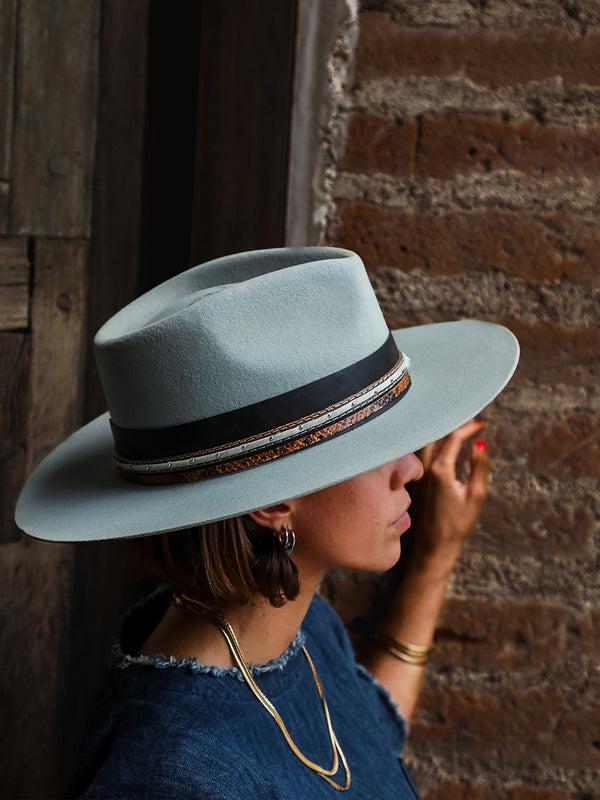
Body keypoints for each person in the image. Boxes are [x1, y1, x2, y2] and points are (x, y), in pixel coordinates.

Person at [14, 246, 519, 798]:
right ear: (274, 502)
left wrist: (435, 560)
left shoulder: (291, 617)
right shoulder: (176, 778)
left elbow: (368, 740)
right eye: (378, 447)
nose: (414, 467)